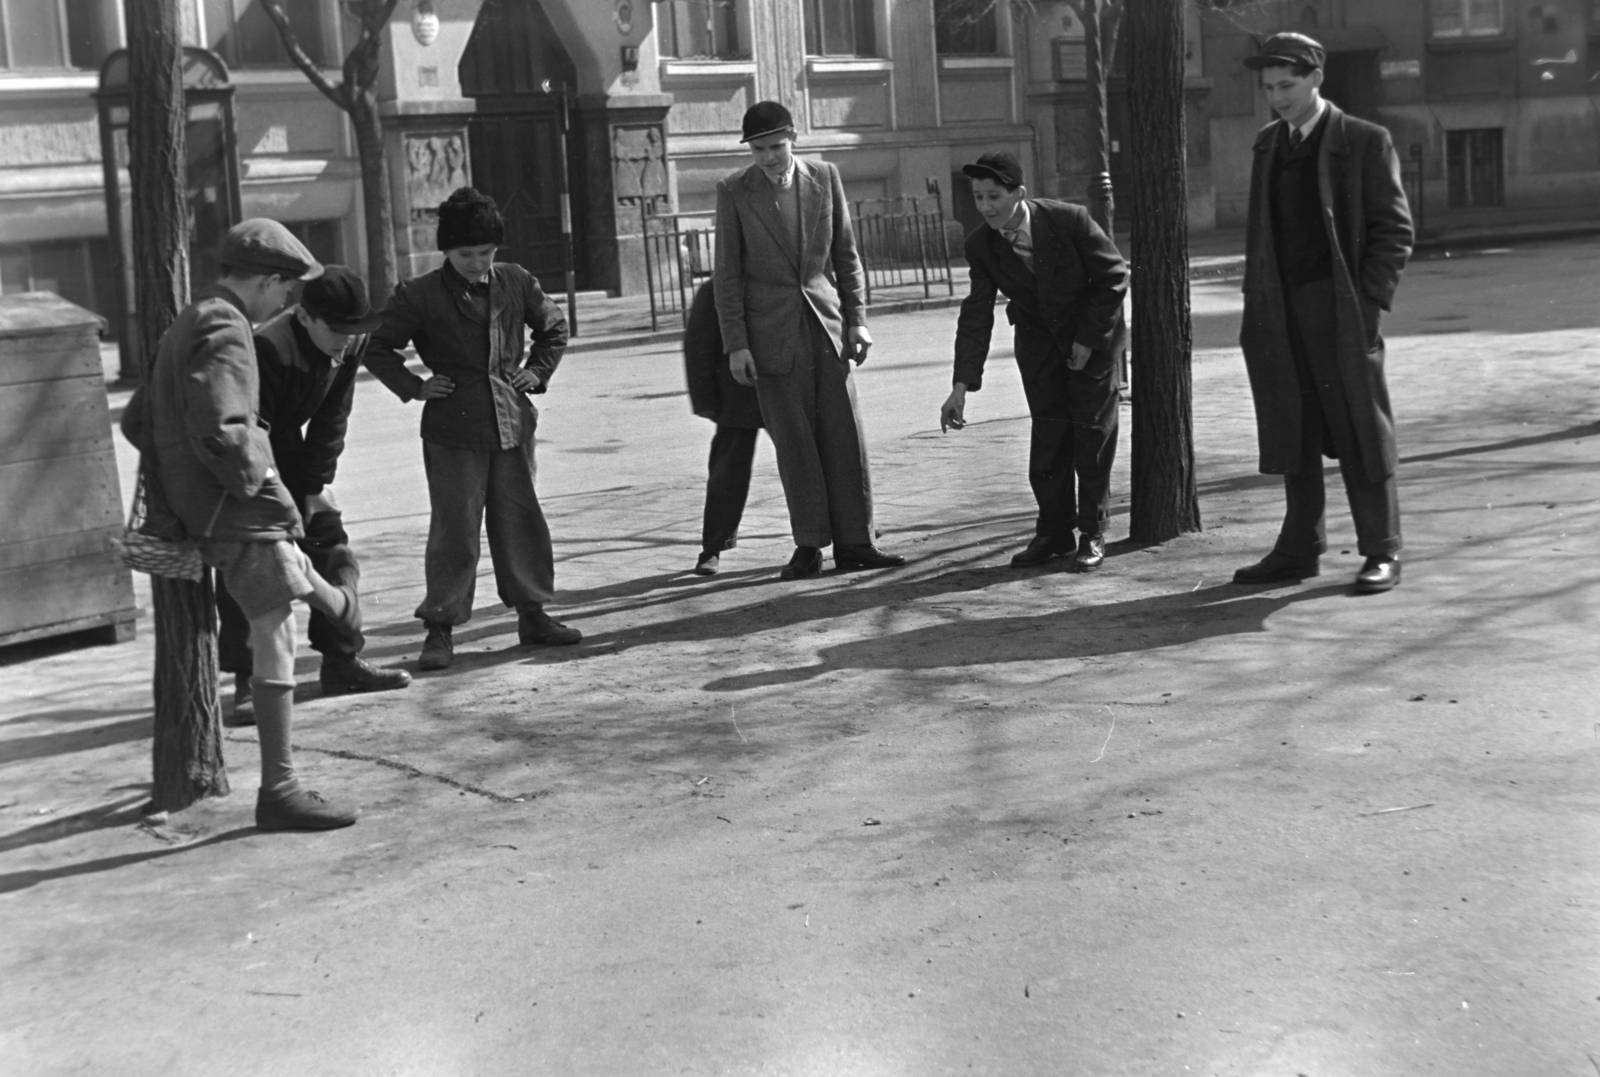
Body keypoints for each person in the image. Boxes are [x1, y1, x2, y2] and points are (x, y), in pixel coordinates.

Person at [121, 220, 360, 831]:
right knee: (273, 630)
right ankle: (280, 789)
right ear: (263, 280)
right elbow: (227, 430)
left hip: (204, 503)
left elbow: (136, 420)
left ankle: (330, 596)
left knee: (284, 581)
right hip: (230, 505)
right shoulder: (230, 326)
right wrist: (267, 487)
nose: (285, 302)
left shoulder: (191, 317)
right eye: (283, 290)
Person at [364, 187, 578, 670]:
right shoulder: (418, 295)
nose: (478, 262)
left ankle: (533, 613)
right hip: (452, 428)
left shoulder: (517, 282)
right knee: (454, 531)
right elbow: (376, 347)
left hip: (512, 423)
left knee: (519, 521)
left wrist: (537, 372)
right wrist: (415, 387)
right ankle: (439, 629)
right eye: (466, 254)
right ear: (446, 251)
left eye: (486, 252)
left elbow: (554, 329)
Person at [1233, 33, 1413, 593]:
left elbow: (1394, 231)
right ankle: (1299, 548)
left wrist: (1365, 308)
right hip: (1278, 312)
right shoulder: (1269, 144)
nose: (1278, 98)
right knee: (1294, 428)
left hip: (1339, 309)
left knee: (1360, 428)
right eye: (1268, 89)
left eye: (1286, 85)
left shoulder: (1363, 141)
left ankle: (1382, 550)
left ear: (1316, 78)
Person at [712, 101, 904, 579]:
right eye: (759, 149)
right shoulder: (735, 191)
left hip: (827, 326)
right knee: (794, 442)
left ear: (794, 137)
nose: (770, 157)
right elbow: (727, 277)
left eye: (777, 146)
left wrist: (857, 319)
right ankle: (809, 545)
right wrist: (737, 344)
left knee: (844, 435)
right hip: (769, 336)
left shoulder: (825, 177)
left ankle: (857, 541)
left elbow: (847, 255)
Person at [219, 266, 410, 726]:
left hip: (296, 447)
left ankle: (342, 664)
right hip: (251, 453)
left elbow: (331, 419)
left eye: (354, 329)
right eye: (337, 330)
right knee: (254, 558)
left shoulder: (352, 339)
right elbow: (253, 428)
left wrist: (315, 487)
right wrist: (275, 497)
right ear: (305, 317)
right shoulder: (268, 347)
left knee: (330, 541)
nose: (347, 340)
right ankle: (247, 682)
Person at [941, 151, 1129, 570]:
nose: (986, 207)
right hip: (1040, 349)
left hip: (1093, 344)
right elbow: (975, 315)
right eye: (977, 197)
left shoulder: (1068, 220)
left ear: (1019, 194)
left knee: (1092, 438)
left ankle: (1093, 533)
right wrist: (961, 386)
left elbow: (1114, 275)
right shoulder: (981, 245)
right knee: (1048, 442)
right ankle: (1054, 533)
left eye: (994, 196)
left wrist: (1088, 339)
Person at [683, 278, 765, 575]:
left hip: (782, 389)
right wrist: (705, 399)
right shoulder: (717, 288)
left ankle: (848, 528)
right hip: (737, 397)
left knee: (810, 461)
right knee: (727, 474)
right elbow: (698, 344)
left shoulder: (775, 278)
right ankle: (713, 547)